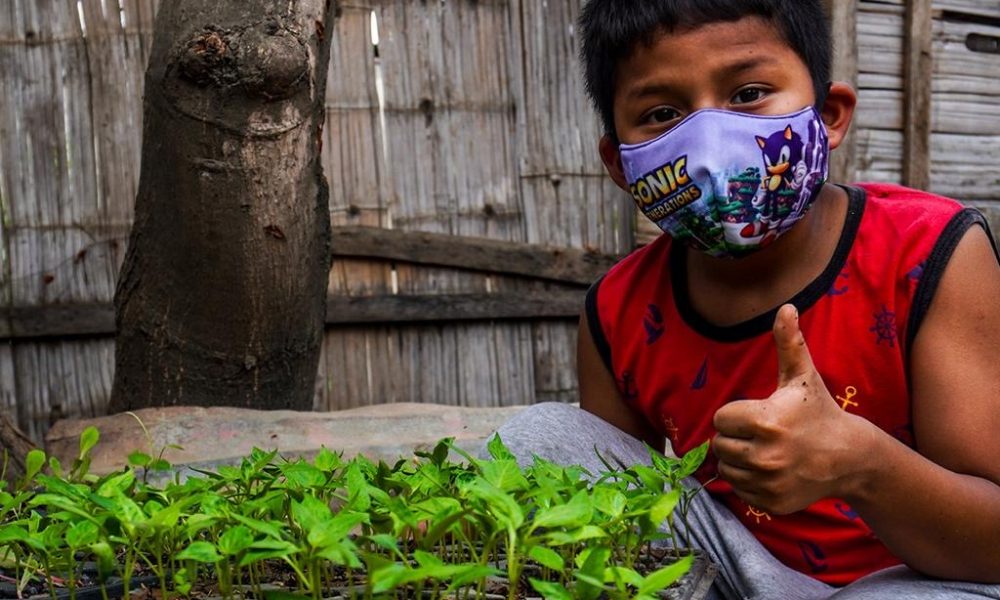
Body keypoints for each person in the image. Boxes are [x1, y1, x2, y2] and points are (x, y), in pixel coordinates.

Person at [490, 1, 1000, 598]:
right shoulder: (616, 310)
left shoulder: (929, 253)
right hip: (736, 572)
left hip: (924, 580)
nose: (709, 142)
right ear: (620, 165)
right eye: (661, 113)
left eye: (749, 93)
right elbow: (616, 524)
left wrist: (861, 463)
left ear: (829, 115)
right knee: (543, 439)